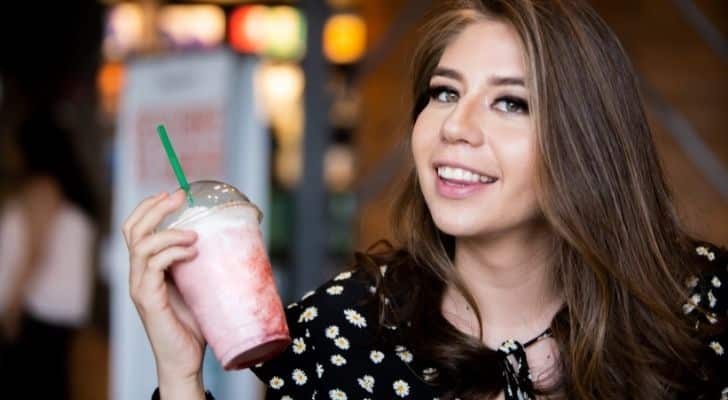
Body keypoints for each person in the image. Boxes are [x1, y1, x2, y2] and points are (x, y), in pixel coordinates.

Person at [123, 0, 727, 399]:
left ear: (588, 139)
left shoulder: (702, 309)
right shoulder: (339, 333)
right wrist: (179, 374)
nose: (455, 127)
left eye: (510, 102)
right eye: (443, 93)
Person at [0, 110, 98, 399]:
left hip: (38, 312)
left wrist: (12, 307)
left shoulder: (43, 188)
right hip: (60, 313)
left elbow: (33, 250)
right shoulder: (71, 194)